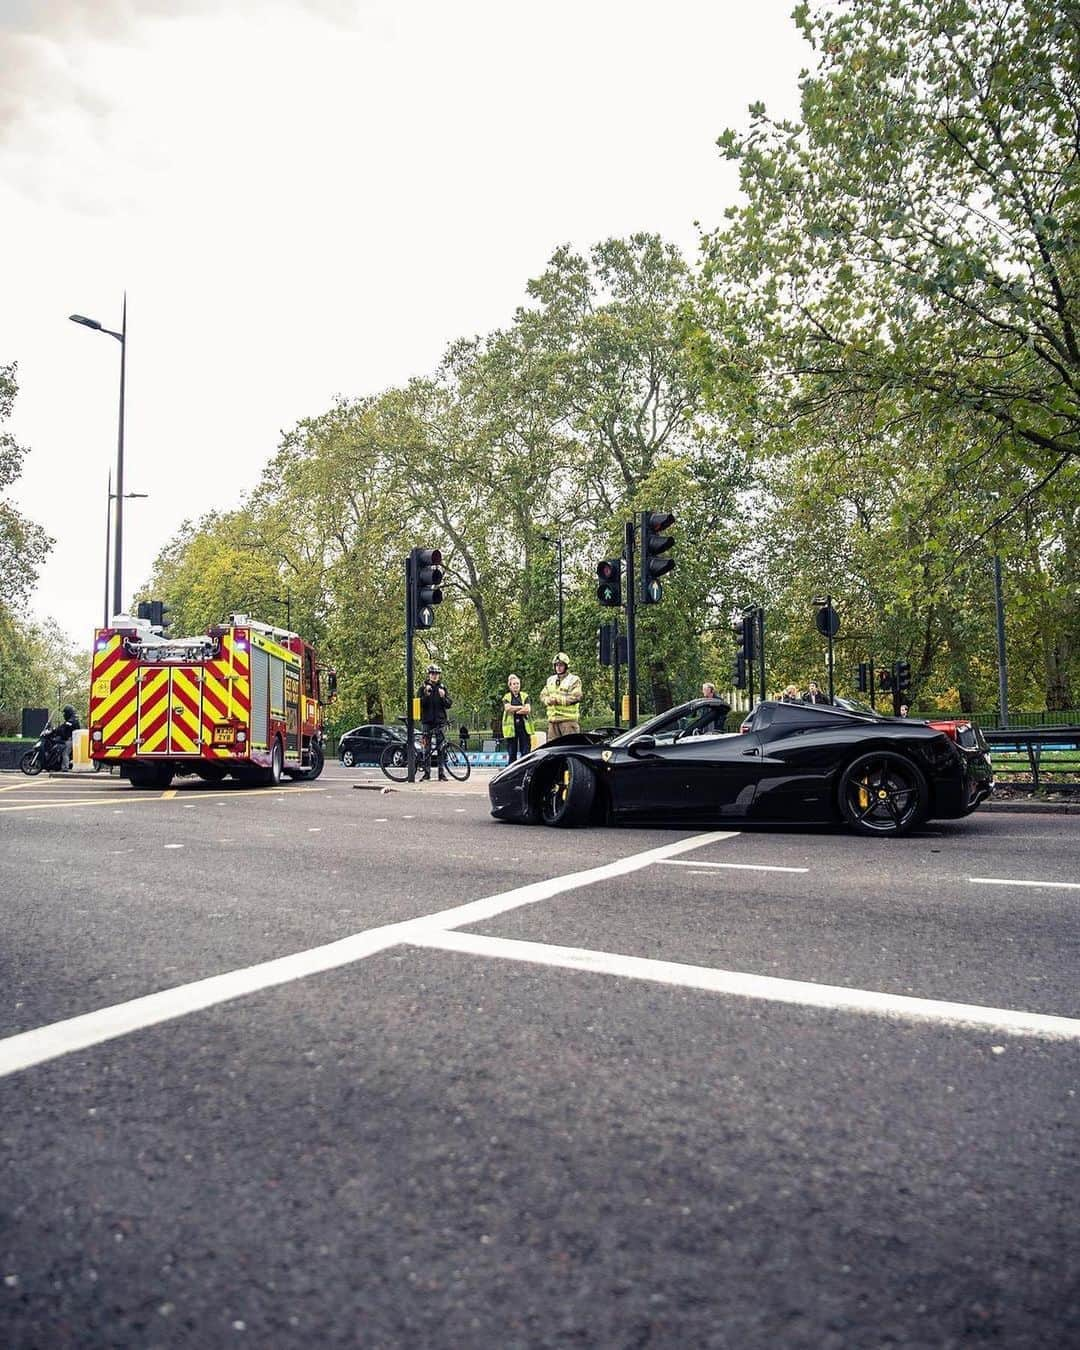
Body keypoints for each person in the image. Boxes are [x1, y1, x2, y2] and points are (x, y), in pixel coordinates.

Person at [417, 664, 452, 781]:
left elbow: (448, 704)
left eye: (436, 674)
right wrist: (426, 695)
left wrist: (443, 697)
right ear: (429, 675)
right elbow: (419, 704)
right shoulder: (423, 688)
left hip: (439, 721)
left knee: (441, 748)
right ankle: (426, 773)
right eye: (432, 674)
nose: (434, 676)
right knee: (426, 748)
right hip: (427, 721)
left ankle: (441, 773)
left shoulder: (442, 687)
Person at [540, 651, 583, 742]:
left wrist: (557, 700)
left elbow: (576, 697)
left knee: (570, 747)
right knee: (553, 750)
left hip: (568, 722)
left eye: (561, 665)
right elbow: (543, 695)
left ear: (566, 666)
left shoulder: (574, 680)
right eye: (556, 665)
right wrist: (547, 700)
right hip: (553, 722)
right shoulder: (550, 680)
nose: (558, 668)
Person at [501, 673, 535, 762]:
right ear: (510, 686)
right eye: (514, 684)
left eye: (518, 684)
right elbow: (508, 708)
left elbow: (527, 709)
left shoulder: (525, 696)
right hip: (511, 729)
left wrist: (514, 709)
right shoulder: (506, 697)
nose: (516, 686)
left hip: (524, 727)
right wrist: (520, 707)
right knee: (512, 752)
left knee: (526, 751)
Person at [55, 705, 79, 772]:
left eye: (65, 713)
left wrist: (57, 729)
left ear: (69, 712)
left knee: (65, 753)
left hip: (71, 739)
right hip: (69, 738)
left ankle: (65, 767)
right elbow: (63, 727)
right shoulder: (72, 719)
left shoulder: (72, 720)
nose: (64, 714)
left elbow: (64, 726)